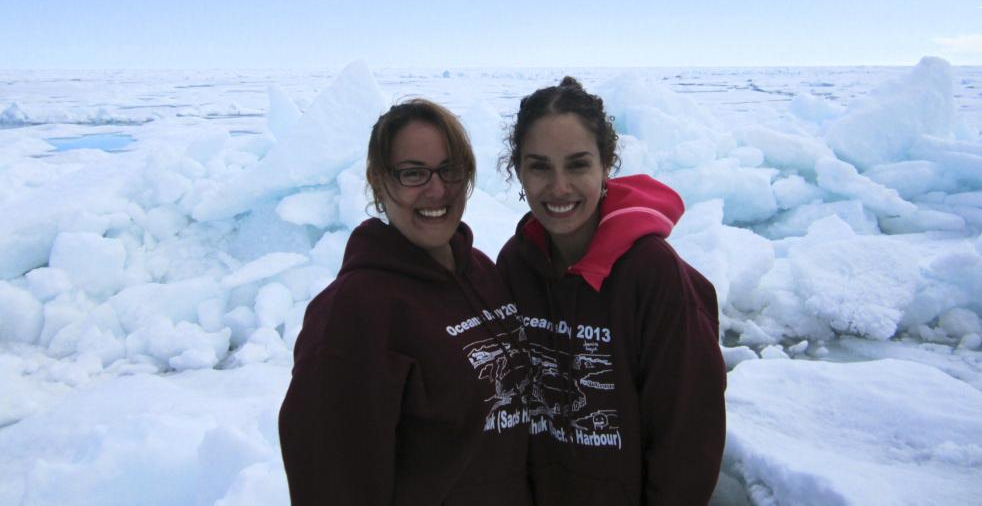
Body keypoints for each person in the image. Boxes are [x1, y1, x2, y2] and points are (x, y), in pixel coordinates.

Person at [279, 99, 532, 506]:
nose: (436, 190)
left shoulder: (482, 273)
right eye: (413, 173)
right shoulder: (353, 312)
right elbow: (328, 478)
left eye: (449, 169)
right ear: (379, 183)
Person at [497, 77, 726, 506]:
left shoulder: (651, 274)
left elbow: (689, 435)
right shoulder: (515, 265)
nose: (559, 187)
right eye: (540, 166)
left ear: (606, 165)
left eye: (579, 164)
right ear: (519, 171)